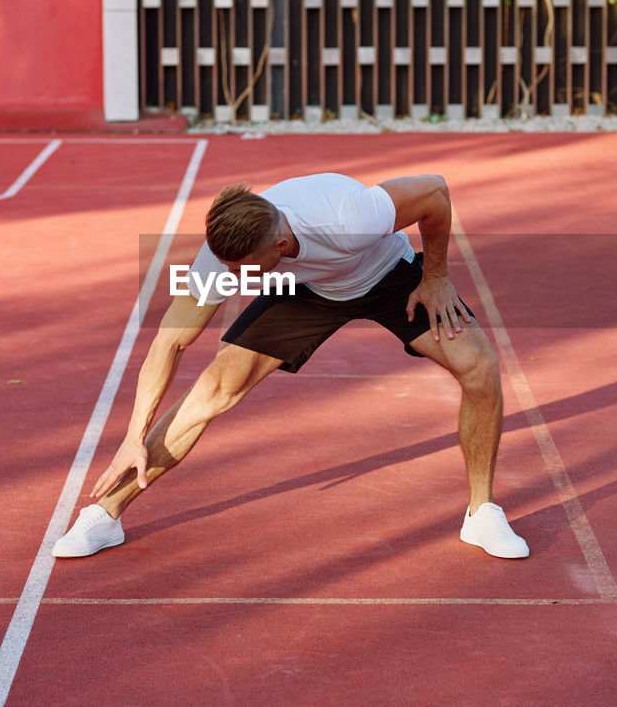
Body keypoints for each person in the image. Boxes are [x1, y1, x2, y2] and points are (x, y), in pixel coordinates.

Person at [52, 172, 528, 559]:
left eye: (246, 271)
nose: (235, 279)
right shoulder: (226, 254)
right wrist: (134, 433)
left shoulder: (350, 217)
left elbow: (434, 190)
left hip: (385, 275)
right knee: (214, 389)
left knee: (479, 368)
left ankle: (481, 513)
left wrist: (437, 276)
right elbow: (169, 344)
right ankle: (106, 514)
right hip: (305, 293)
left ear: (279, 244)